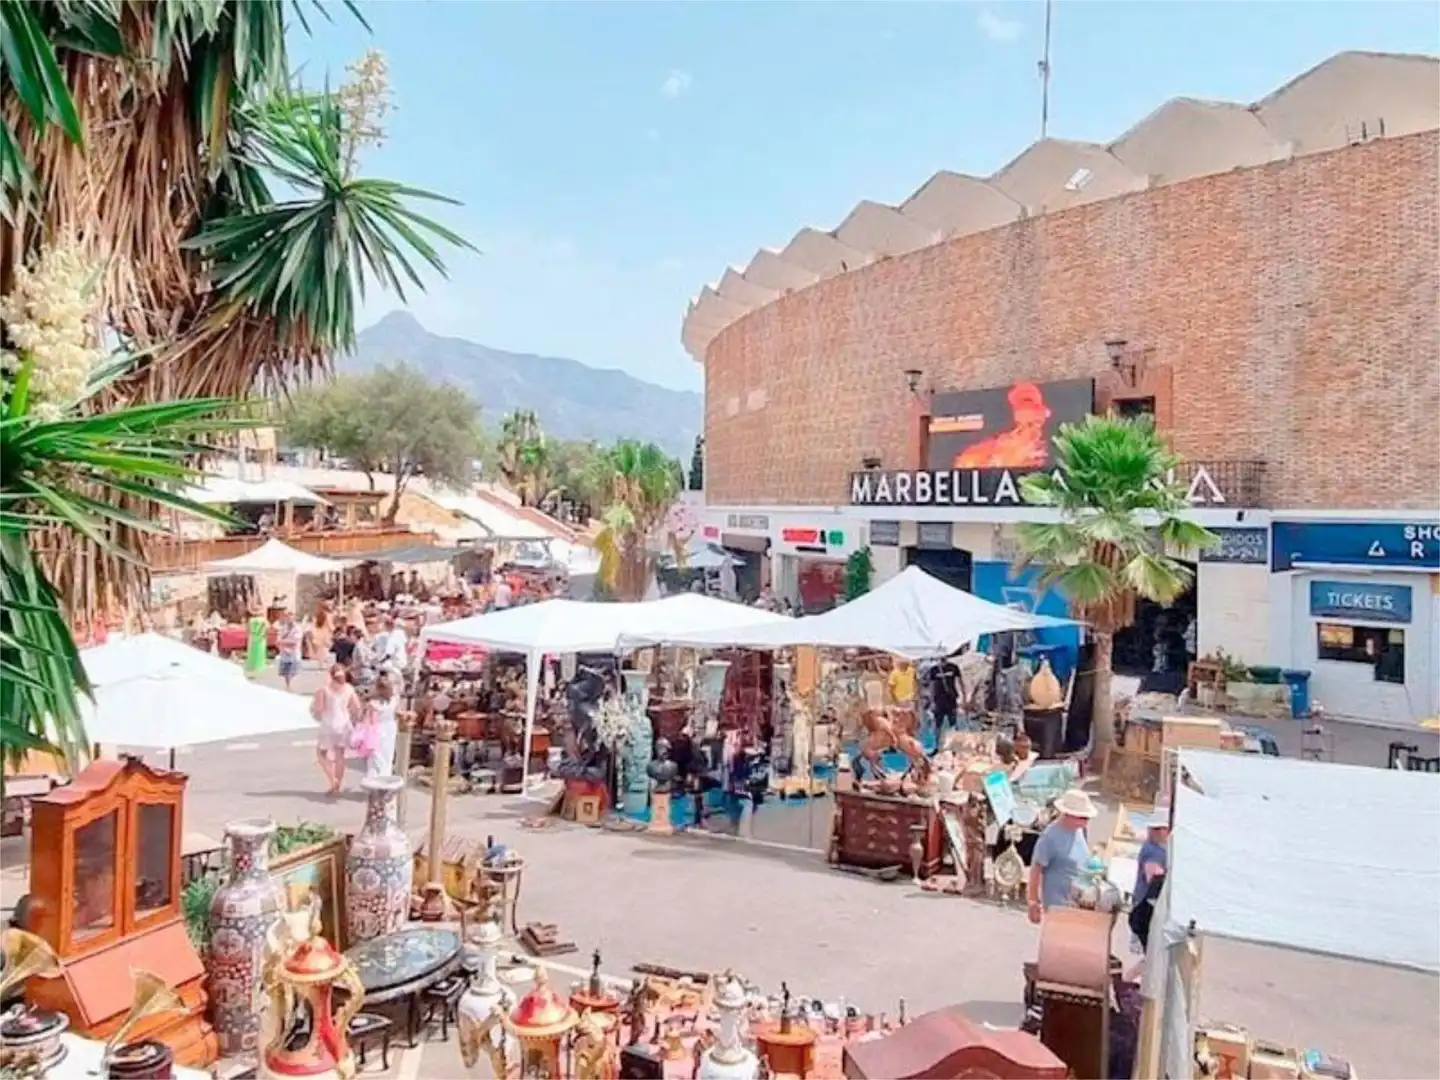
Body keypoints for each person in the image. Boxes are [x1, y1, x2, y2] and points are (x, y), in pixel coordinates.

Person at [1027, 789, 1098, 924]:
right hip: (1058, 907)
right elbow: (1036, 868)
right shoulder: (1050, 836)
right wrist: (1033, 902)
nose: (1086, 821)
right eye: (1083, 817)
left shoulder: (1079, 831)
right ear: (1069, 814)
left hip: (1077, 906)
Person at [311, 664, 361, 795]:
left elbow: (318, 709)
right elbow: (356, 707)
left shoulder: (324, 690)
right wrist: (356, 721)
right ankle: (338, 785)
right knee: (340, 755)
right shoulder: (349, 689)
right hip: (344, 724)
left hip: (328, 724)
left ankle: (333, 780)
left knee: (321, 753)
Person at [363, 675, 400, 778]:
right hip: (390, 727)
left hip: (378, 728)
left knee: (376, 757)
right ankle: (386, 776)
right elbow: (396, 713)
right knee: (388, 755)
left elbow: (373, 721)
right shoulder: (394, 700)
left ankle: (375, 778)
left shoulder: (373, 703)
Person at [1132, 809, 1170, 902]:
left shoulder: (1151, 847)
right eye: (1157, 829)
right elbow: (1155, 881)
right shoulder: (1154, 851)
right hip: (1147, 905)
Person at [276, 611, 303, 692]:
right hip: (284, 652)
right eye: (287, 617)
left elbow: (295, 641)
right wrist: (280, 644)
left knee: (292, 671)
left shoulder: (297, 628)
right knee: (286, 671)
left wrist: (282, 642)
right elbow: (278, 639)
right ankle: (288, 685)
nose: (289, 619)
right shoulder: (283, 628)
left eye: (290, 617)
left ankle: (290, 685)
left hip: (294, 653)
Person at [244, 602, 268, 679]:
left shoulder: (251, 620)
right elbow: (267, 629)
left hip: (252, 638)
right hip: (261, 639)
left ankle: (252, 671)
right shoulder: (264, 620)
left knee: (252, 655)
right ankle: (258, 671)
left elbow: (248, 630)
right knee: (260, 655)